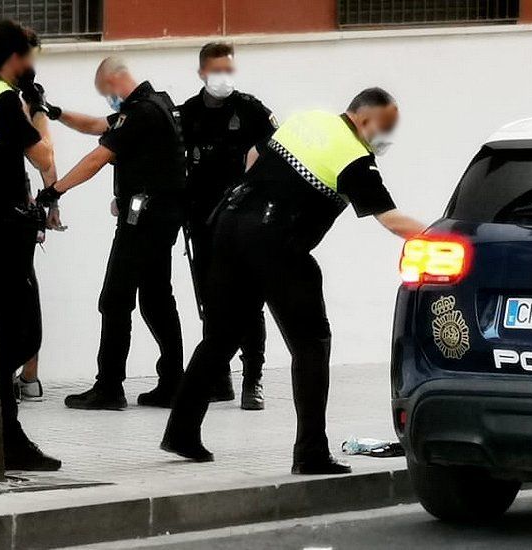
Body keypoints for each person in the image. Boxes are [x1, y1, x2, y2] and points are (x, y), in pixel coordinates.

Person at [160, 88, 427, 474]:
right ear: (366, 119)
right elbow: (390, 218)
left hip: (229, 226)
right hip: (276, 243)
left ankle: (181, 432)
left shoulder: (307, 118)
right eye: (386, 125)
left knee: (220, 337)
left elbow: (253, 155)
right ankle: (310, 453)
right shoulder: (354, 157)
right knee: (311, 344)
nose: (386, 135)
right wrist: (445, 235)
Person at [36, 57, 186, 410]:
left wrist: (54, 190)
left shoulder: (141, 114)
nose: (108, 99)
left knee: (115, 299)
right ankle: (173, 382)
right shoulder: (154, 104)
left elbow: (96, 157)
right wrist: (55, 113)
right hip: (162, 217)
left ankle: (109, 388)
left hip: (143, 221)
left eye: (106, 92)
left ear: (116, 81)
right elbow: (95, 125)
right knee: (156, 298)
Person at [0, 19, 61, 471]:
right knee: (21, 331)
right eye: (29, 57)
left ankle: (4, 433)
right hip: (8, 231)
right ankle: (9, 437)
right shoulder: (5, 98)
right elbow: (44, 154)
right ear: (15, 59)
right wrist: (40, 110)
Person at [180, 42, 278, 410]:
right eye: (216, 69)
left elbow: (277, 145)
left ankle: (253, 376)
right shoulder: (188, 113)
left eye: (228, 69)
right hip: (203, 222)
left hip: (244, 220)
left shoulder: (251, 109)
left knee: (249, 301)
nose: (223, 77)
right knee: (211, 299)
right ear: (202, 72)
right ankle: (218, 377)